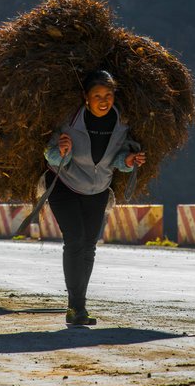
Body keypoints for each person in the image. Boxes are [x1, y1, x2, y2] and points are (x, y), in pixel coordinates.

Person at [43, 70, 146, 326]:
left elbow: (117, 159)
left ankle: (78, 305)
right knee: (75, 240)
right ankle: (76, 308)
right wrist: (61, 150)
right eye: (97, 95)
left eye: (108, 95)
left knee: (89, 246)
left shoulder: (121, 124)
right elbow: (52, 157)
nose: (103, 100)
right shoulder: (69, 122)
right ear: (85, 98)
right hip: (63, 185)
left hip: (98, 189)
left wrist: (129, 161)